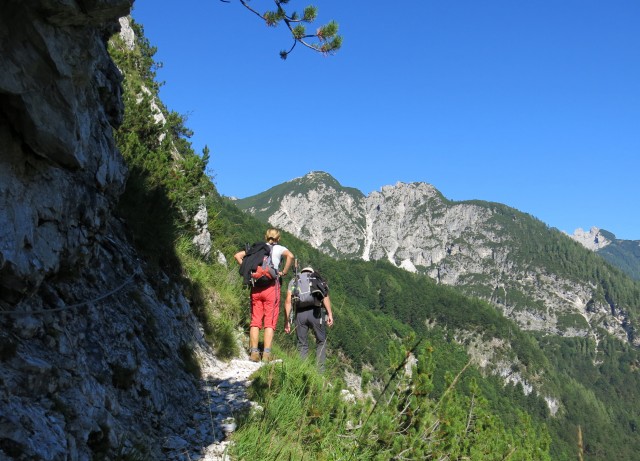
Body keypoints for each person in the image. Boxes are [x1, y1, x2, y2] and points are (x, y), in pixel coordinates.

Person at [234, 228, 293, 362]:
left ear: (266, 237)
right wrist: (283, 271)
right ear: (278, 238)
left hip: (256, 287)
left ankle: (254, 353)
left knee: (255, 320)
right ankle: (266, 355)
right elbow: (291, 256)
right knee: (269, 322)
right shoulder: (279, 248)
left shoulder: (257, 248)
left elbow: (237, 256)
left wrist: (248, 271)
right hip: (271, 287)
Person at [284, 267, 334, 372]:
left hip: (300, 314)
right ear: (311, 272)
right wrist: (329, 314)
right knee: (321, 341)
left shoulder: (294, 280)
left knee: (302, 343)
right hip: (315, 313)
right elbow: (325, 296)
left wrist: (287, 321)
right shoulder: (316, 278)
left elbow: (288, 301)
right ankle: (320, 372)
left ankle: (302, 370)